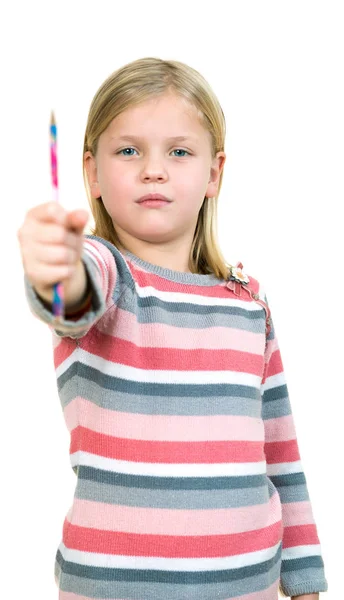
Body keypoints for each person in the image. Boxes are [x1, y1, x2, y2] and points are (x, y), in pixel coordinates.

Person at [17, 57, 328, 600]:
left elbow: (281, 451)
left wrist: (304, 580)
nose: (153, 170)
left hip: (249, 586)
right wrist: (55, 271)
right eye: (128, 150)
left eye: (178, 152)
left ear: (214, 174)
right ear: (92, 172)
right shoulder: (107, 275)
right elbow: (72, 296)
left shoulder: (248, 301)